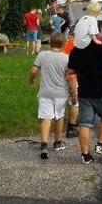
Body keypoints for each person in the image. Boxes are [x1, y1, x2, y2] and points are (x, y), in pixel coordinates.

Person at [66, 27, 102, 163]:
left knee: (85, 122)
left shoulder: (75, 51)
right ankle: (101, 144)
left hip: (85, 91)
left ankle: (85, 155)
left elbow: (71, 70)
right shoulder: (100, 48)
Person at [30, 32, 70, 160]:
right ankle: (58, 142)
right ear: (63, 44)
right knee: (59, 116)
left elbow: (34, 71)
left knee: (46, 118)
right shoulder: (66, 58)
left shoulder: (42, 55)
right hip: (61, 93)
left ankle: (44, 145)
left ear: (50, 43)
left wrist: (31, 80)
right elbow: (69, 77)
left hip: (45, 92)